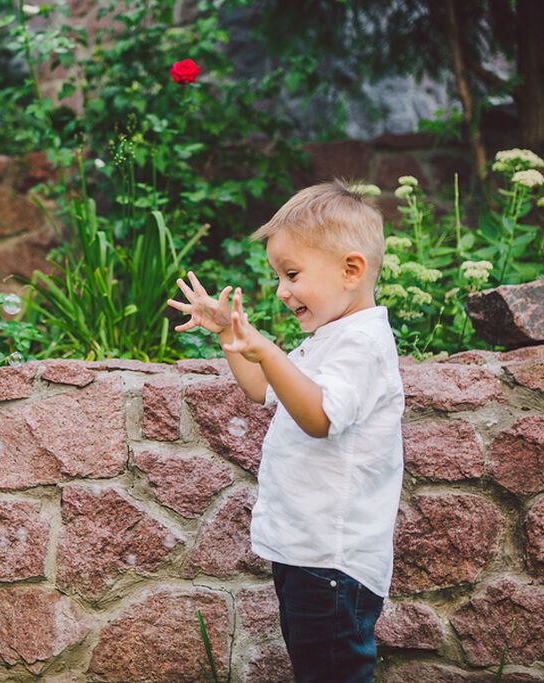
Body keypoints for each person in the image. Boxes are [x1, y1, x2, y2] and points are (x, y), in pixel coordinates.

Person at [169, 181, 404, 682]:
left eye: (292, 274)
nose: (281, 290)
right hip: (307, 554)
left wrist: (270, 351)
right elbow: (262, 388)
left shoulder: (362, 345)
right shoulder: (329, 339)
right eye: (278, 275)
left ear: (351, 269)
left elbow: (319, 417)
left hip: (334, 563)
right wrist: (233, 337)